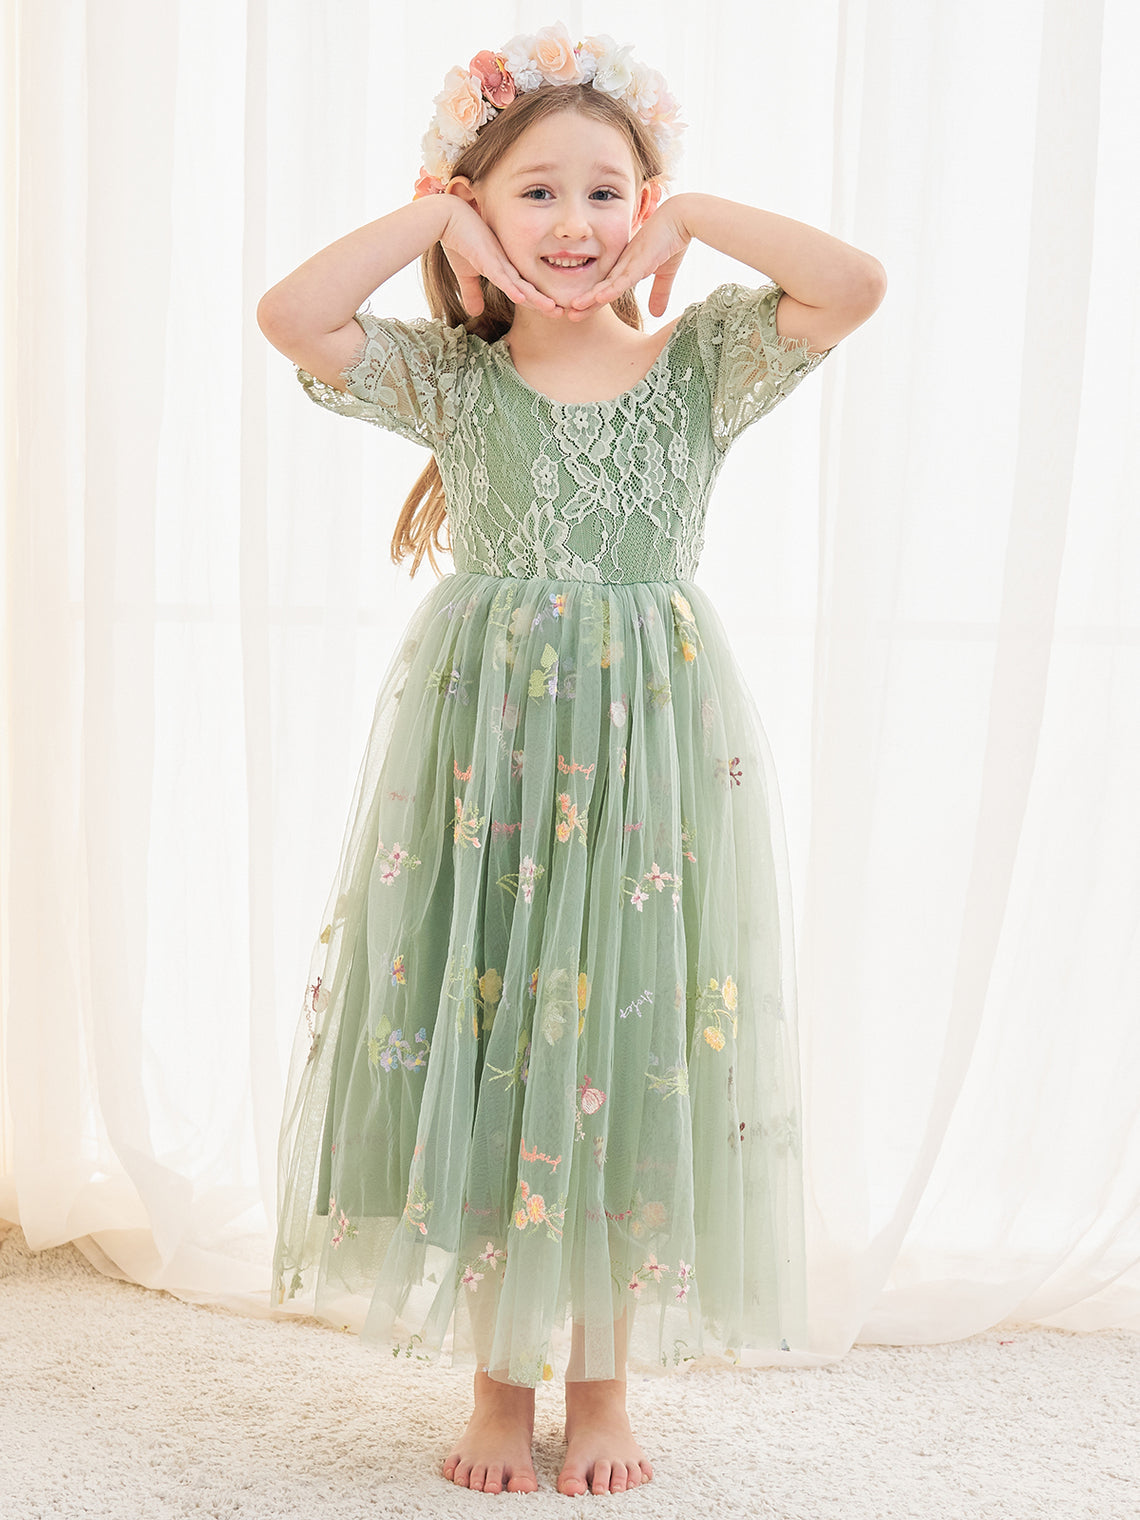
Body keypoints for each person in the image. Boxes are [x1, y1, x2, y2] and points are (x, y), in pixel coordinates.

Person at [257, 23, 885, 1499]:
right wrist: (435, 219)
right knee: (496, 1029)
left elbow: (852, 284)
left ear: (643, 205)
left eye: (607, 192)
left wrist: (693, 215)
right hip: (485, 755)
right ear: (480, 209)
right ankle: (498, 1384)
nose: (576, 222)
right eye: (534, 192)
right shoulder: (452, 382)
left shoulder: (700, 363)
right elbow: (294, 317)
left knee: (620, 1041)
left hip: (649, 753)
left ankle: (601, 1386)